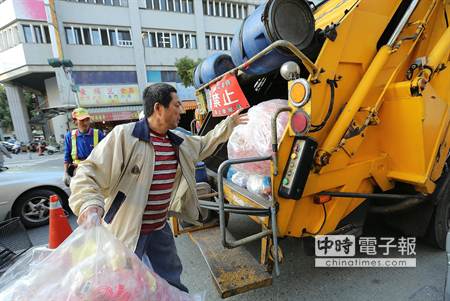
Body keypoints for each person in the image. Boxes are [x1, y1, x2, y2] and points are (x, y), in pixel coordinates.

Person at [69, 83, 248, 292]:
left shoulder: (178, 141)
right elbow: (88, 172)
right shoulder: (126, 136)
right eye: (177, 105)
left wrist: (229, 125)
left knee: (172, 282)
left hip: (159, 227)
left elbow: (204, 144)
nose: (182, 110)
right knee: (128, 286)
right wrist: (89, 203)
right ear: (158, 108)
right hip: (127, 230)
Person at [63, 107, 104, 186]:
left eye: (87, 119)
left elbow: (106, 152)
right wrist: (65, 173)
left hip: (95, 171)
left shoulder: (98, 134)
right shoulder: (70, 136)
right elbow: (67, 156)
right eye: (82, 120)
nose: (85, 123)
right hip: (78, 172)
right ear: (75, 121)